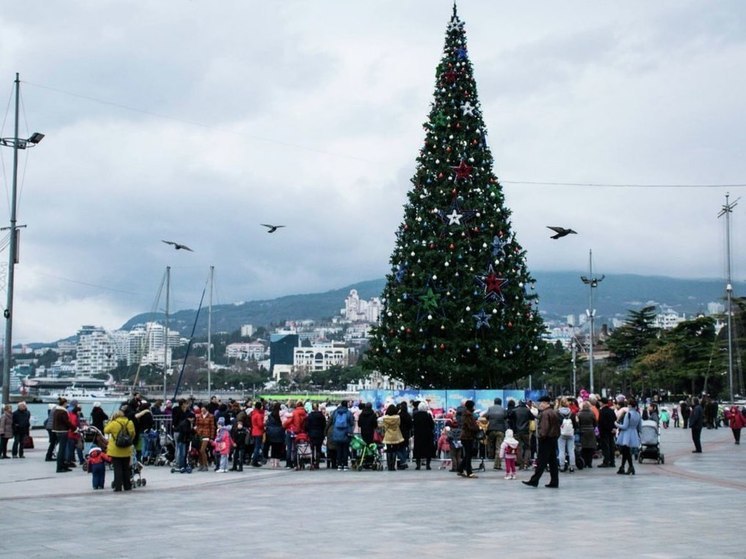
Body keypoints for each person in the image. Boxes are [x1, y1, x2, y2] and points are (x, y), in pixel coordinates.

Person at [523, 395, 560, 488]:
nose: (540, 405)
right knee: (553, 462)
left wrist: (540, 436)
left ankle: (534, 480)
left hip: (546, 439)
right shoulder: (553, 412)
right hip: (553, 438)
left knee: (541, 461)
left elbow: (544, 427)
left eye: (541, 403)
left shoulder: (545, 414)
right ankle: (554, 481)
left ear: (545, 403)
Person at [104, 410, 136, 492]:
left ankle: (118, 486)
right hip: (126, 448)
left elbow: (106, 430)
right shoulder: (130, 422)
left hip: (115, 449)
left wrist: (110, 421)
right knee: (126, 468)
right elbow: (133, 434)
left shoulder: (113, 423)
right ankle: (127, 486)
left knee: (117, 469)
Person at [615, 397, 641, 475]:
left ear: (630, 405)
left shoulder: (628, 414)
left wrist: (616, 424)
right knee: (626, 451)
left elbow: (625, 426)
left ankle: (630, 467)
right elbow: (640, 427)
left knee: (626, 451)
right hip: (634, 433)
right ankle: (623, 467)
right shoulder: (638, 414)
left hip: (626, 434)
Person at [482, 397, 507, 469]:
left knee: (490, 443)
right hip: (501, 430)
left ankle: (490, 455)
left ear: (494, 402)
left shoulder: (490, 408)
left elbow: (486, 416)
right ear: (500, 402)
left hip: (491, 429)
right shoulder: (503, 409)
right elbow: (505, 417)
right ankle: (497, 465)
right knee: (499, 447)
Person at [457, 400, 479, 479]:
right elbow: (471, 426)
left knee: (468, 454)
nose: (474, 407)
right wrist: (477, 428)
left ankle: (460, 469)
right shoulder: (468, 415)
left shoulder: (466, 414)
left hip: (466, 436)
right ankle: (469, 472)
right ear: (471, 407)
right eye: (473, 406)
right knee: (469, 454)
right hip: (467, 437)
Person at [508, 400, 533, 470]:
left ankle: (520, 464)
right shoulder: (527, 410)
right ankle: (526, 463)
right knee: (527, 447)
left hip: (517, 431)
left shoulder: (515, 410)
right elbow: (533, 418)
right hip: (526, 432)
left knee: (519, 448)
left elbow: (509, 418)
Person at [330, 400, 354, 471]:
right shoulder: (348, 413)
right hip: (346, 433)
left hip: (337, 433)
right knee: (345, 449)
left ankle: (339, 465)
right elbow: (352, 422)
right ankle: (345, 465)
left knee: (339, 449)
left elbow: (333, 421)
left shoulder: (335, 412)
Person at [51, 397, 73, 473]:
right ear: (64, 403)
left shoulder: (56, 410)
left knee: (62, 449)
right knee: (62, 450)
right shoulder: (62, 411)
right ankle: (60, 467)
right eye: (66, 403)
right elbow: (67, 422)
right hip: (63, 431)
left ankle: (63, 466)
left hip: (57, 430)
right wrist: (74, 428)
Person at [412, 401, 435, 470]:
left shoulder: (415, 415)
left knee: (418, 450)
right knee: (428, 450)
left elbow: (414, 425)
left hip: (418, 434)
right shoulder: (428, 415)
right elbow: (432, 425)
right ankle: (428, 465)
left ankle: (418, 465)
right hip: (427, 435)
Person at [381, 404, 404, 471]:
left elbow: (385, 426)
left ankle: (389, 466)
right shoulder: (398, 417)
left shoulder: (385, 418)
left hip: (388, 435)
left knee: (388, 450)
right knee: (394, 450)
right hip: (396, 435)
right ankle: (393, 466)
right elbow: (399, 424)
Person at [556, 398, 576, 473]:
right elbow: (575, 424)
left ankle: (562, 466)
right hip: (570, 433)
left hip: (561, 433)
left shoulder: (557, 413)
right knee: (571, 450)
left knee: (561, 450)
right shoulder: (572, 413)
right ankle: (572, 466)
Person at [597, 397, 617, 468]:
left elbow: (601, 422)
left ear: (602, 403)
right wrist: (613, 428)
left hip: (604, 431)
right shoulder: (611, 411)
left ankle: (606, 461)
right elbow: (615, 419)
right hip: (611, 431)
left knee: (605, 446)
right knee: (611, 446)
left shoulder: (602, 411)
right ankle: (612, 461)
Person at [576, 401, 597, 469]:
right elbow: (595, 423)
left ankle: (584, 462)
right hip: (590, 431)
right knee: (590, 448)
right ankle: (589, 463)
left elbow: (577, 423)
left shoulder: (579, 414)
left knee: (584, 448)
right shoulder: (592, 413)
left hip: (582, 431)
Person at [306, 402, 327, 470]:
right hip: (320, 434)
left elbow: (307, 425)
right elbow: (324, 425)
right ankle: (317, 463)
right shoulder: (321, 416)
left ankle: (312, 462)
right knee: (318, 449)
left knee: (312, 449)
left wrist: (308, 431)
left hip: (311, 434)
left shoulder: (310, 416)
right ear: (318, 407)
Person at [265, 403, 286, 469]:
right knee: (278, 448)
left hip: (271, 433)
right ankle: (277, 462)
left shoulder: (270, 414)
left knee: (273, 448)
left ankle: (272, 462)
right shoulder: (280, 414)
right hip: (279, 432)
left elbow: (268, 423)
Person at [195, 406, 216, 471]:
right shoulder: (199, 416)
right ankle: (201, 464)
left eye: (204, 410)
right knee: (199, 450)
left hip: (207, 434)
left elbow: (212, 427)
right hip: (199, 434)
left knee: (202, 450)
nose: (202, 411)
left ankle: (205, 465)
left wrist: (212, 437)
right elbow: (197, 424)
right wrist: (197, 431)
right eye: (201, 410)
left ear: (206, 410)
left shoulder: (211, 416)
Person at [249, 401, 265, 467]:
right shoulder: (258, 415)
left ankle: (253, 460)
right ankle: (254, 461)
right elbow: (260, 425)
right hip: (258, 432)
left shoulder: (253, 414)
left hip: (254, 431)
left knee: (255, 446)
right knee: (257, 447)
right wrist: (264, 423)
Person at [398, 401, 412, 469]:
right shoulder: (408, 415)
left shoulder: (399, 415)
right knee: (404, 448)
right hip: (406, 433)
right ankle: (403, 462)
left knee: (398, 448)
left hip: (399, 433)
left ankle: (402, 462)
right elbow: (410, 425)